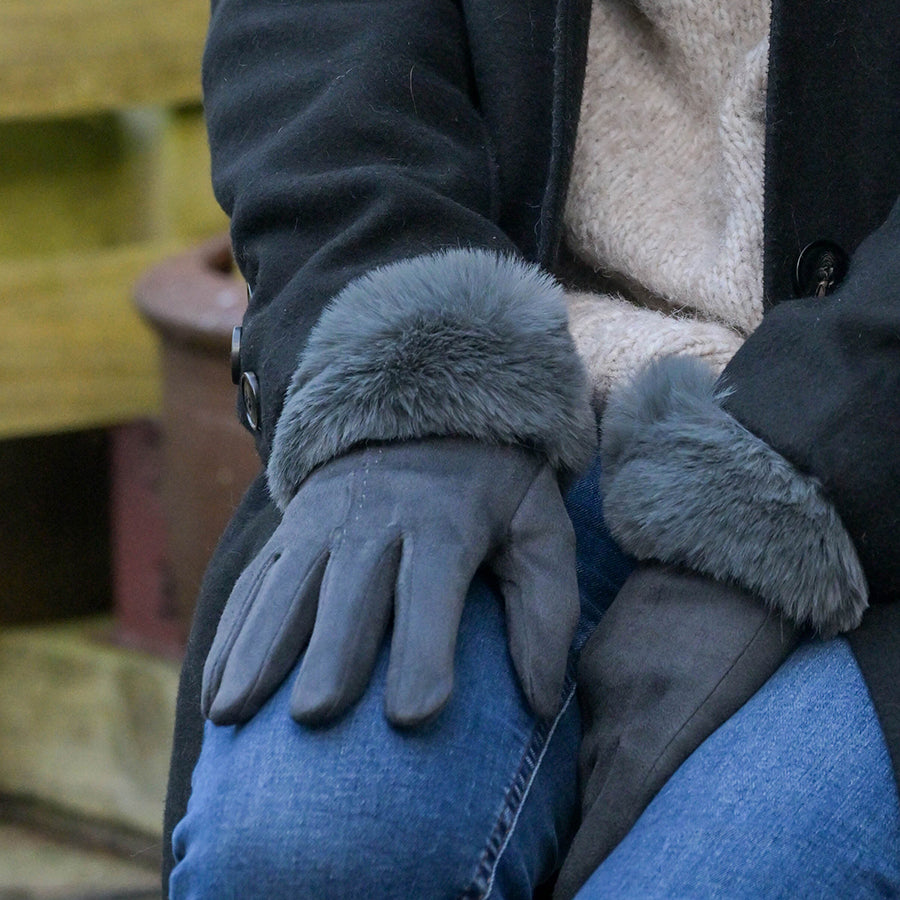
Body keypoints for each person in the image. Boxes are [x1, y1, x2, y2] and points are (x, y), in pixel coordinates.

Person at [163, 0, 900, 896]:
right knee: (305, 849)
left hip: (872, 442)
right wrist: (409, 356)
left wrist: (828, 456)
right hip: (519, 386)